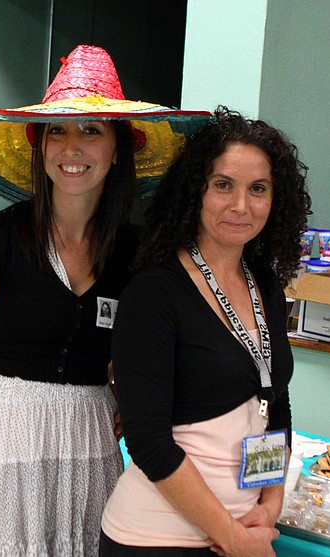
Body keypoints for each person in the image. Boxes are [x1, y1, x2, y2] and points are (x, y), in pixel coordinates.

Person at [0, 45, 214, 556]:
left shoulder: (134, 253)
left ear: (117, 149)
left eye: (91, 131)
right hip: (2, 442)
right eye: (57, 131)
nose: (72, 147)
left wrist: (129, 395)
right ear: (39, 146)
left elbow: (141, 351)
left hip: (88, 447)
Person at [99, 107, 311, 557]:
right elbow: (148, 441)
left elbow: (277, 402)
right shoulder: (155, 292)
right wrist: (236, 540)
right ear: (195, 191)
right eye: (223, 185)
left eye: (258, 189)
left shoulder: (264, 285)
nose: (241, 205)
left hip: (239, 529)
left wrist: (269, 505)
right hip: (158, 538)